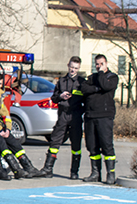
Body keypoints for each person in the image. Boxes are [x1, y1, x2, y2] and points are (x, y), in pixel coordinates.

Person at [0, 72, 42, 178]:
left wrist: (8, 129)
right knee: (1, 142)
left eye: (0, 83)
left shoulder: (0, 94)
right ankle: (16, 169)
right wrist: (0, 130)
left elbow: (6, 114)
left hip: (0, 128)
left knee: (14, 142)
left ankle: (28, 167)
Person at [38, 56, 85, 178]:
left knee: (76, 144)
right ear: (68, 66)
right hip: (63, 114)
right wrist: (61, 96)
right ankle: (48, 169)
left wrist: (81, 111)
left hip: (75, 115)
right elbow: (54, 97)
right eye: (71, 67)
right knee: (55, 140)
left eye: (76, 68)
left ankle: (74, 172)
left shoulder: (82, 82)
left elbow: (87, 100)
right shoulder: (62, 81)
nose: (73, 70)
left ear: (79, 68)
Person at [81, 54, 118, 183]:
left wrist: (102, 74)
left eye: (101, 64)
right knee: (92, 146)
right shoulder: (92, 77)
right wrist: (97, 88)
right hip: (91, 115)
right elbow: (84, 89)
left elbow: (106, 86)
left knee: (107, 145)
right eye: (97, 64)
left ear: (106, 64)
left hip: (104, 116)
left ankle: (110, 174)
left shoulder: (112, 77)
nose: (98, 66)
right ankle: (95, 173)